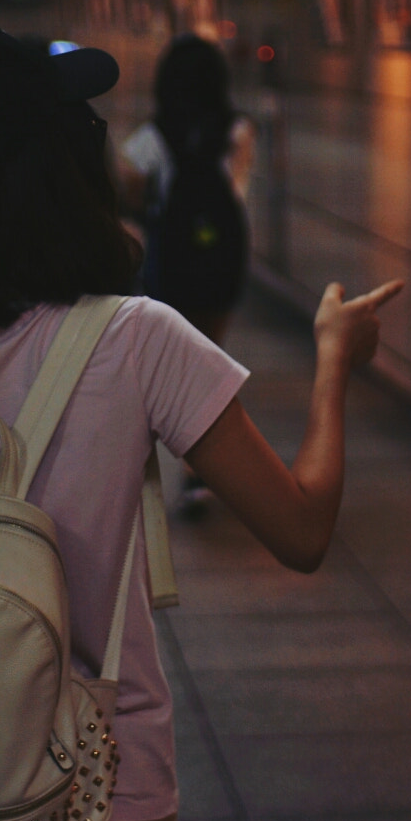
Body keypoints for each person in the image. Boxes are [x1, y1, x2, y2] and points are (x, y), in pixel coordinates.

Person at [0, 18, 401, 821]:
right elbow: (300, 529)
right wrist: (334, 359)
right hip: (103, 792)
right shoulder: (135, 338)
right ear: (47, 160)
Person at [117, 36, 258, 515]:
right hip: (222, 255)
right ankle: (201, 472)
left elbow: (132, 190)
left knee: (175, 358)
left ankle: (175, 462)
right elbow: (238, 189)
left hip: (173, 260)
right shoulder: (237, 131)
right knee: (213, 355)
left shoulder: (152, 136)